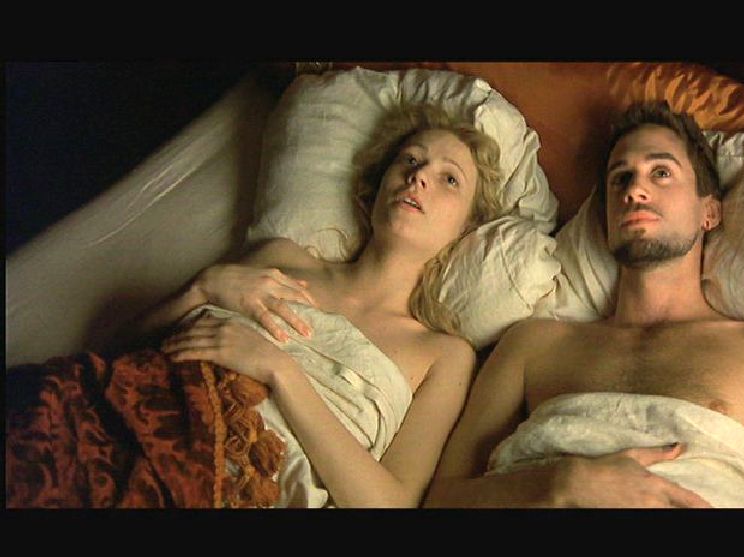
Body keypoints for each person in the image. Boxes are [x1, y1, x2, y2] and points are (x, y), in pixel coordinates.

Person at [8, 103, 503, 508]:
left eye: (449, 179)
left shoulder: (443, 355)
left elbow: (389, 505)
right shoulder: (281, 258)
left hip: (220, 484)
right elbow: (114, 349)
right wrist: (201, 289)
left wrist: (279, 371)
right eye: (410, 160)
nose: (419, 177)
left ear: (466, 227)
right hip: (115, 413)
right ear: (379, 183)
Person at [423, 101, 744, 508]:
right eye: (621, 178)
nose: (635, 190)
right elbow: (441, 500)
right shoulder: (532, 346)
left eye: (661, 173)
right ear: (605, 219)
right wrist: (559, 482)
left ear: (709, 212)